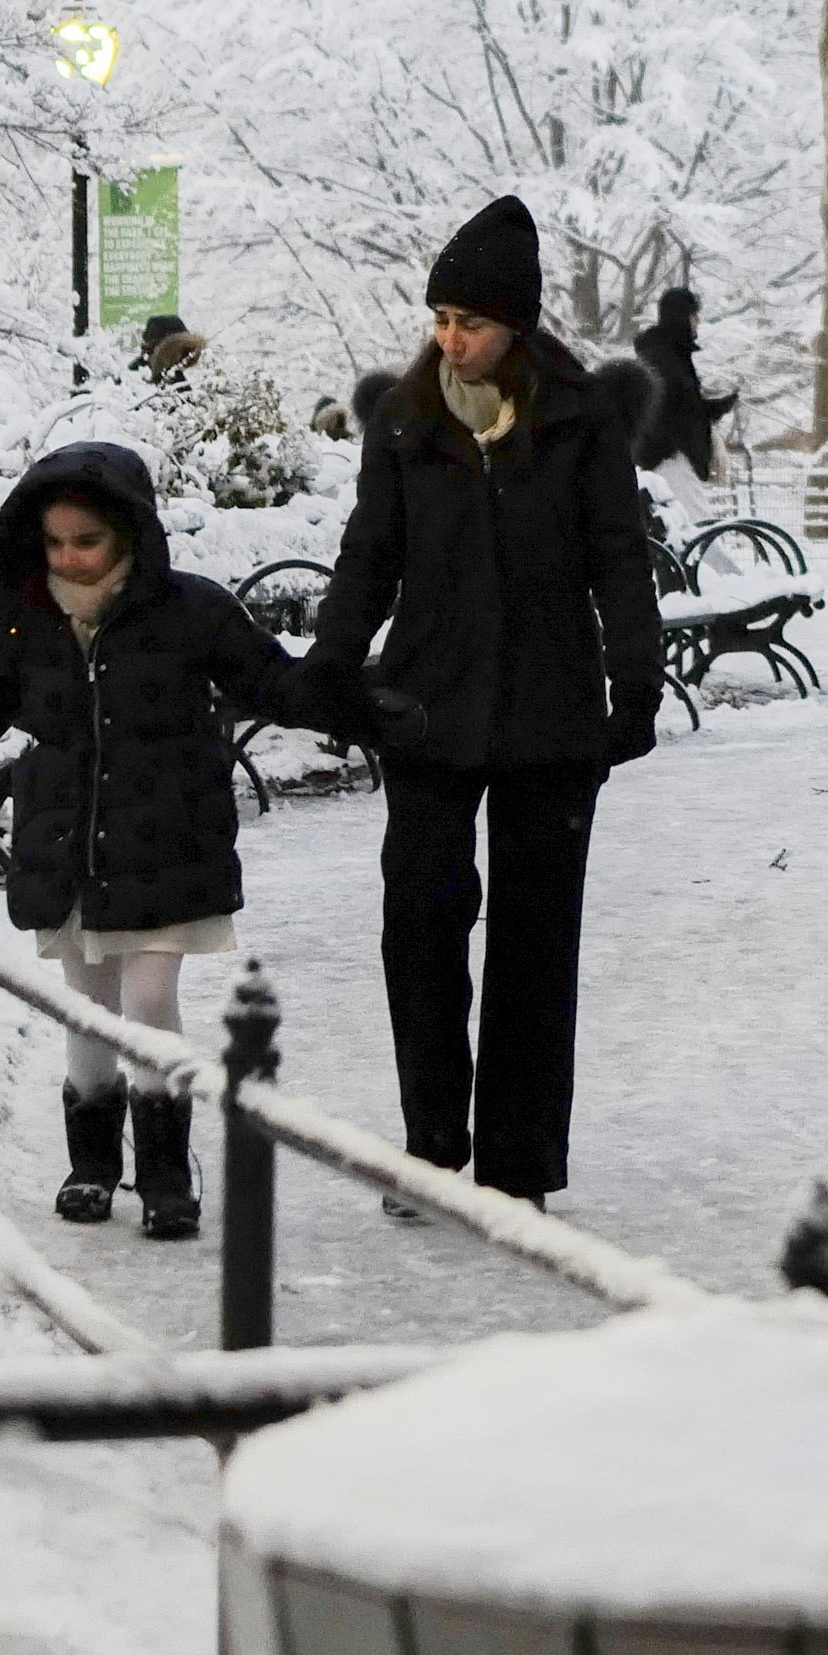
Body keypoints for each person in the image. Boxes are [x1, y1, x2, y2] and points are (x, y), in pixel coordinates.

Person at [0, 440, 316, 1237]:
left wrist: (369, 703)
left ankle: (167, 1171)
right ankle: (93, 1162)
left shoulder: (190, 610)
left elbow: (274, 678)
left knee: (145, 997)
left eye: (87, 540)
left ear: (129, 534)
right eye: (56, 541)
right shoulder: (28, 623)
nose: (69, 557)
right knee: (88, 1003)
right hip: (68, 840)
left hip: (167, 836)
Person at [308, 197, 666, 1204]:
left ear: (515, 322)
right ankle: (428, 1143)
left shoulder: (579, 416)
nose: (448, 337)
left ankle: (516, 1162)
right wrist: (336, 661)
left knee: (534, 941)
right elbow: (369, 552)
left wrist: (635, 682)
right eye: (438, 318)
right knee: (418, 927)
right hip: (425, 706)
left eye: (467, 319)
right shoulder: (406, 419)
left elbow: (616, 556)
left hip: (553, 715)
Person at [631, 284, 733, 489]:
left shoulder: (669, 355)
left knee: (694, 518)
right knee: (696, 519)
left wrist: (714, 407)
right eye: (693, 315)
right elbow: (674, 411)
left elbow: (682, 407)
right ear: (681, 317)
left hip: (673, 457)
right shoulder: (665, 359)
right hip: (671, 458)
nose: (698, 321)